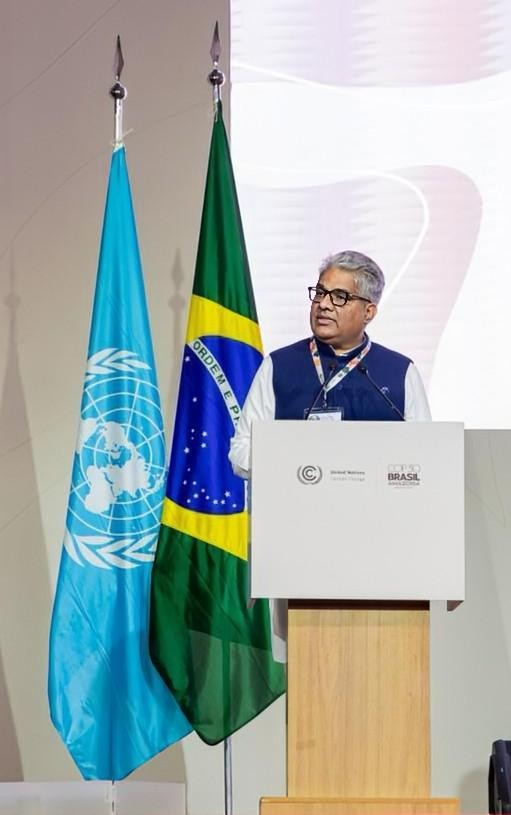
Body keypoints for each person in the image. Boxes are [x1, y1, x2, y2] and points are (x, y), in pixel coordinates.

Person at [229, 250, 431, 479]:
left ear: (369, 312)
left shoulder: (400, 372)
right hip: (296, 507)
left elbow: (424, 456)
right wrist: (291, 464)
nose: (324, 304)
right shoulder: (279, 366)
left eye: (339, 296)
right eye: (320, 293)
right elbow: (241, 450)